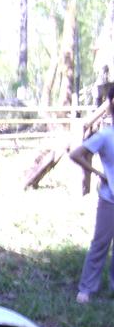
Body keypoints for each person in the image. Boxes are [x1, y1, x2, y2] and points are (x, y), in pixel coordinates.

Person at [69, 86, 114, 303]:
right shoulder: (105, 135)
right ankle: (86, 288)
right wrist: (99, 173)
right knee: (100, 244)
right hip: (109, 199)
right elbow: (76, 154)